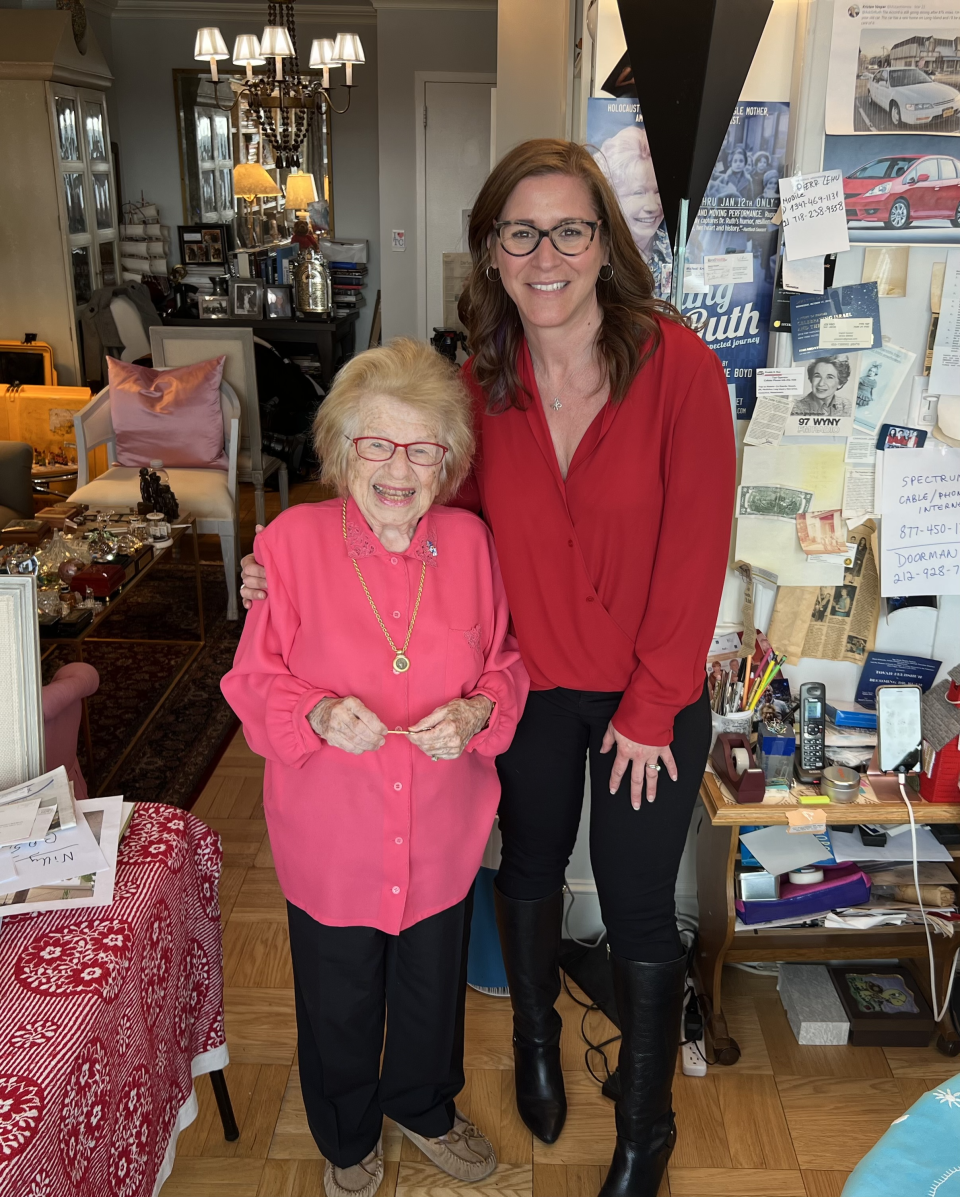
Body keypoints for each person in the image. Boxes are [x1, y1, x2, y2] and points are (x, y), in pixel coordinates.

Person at [241, 139, 736, 1197]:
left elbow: (698, 548)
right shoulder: (483, 381)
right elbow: (429, 527)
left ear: (604, 243)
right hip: (537, 690)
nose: (546, 253)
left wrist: (652, 706)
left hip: (649, 697)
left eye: (571, 228)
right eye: (522, 231)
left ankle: (647, 1128)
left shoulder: (678, 367)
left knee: (645, 904)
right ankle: (540, 1051)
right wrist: (280, 571)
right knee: (528, 872)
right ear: (494, 251)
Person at [222, 338, 529, 1197]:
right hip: (333, 836)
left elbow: (506, 664)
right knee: (339, 997)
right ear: (342, 450)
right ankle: (347, 1131)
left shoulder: (472, 545)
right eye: (378, 444)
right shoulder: (287, 544)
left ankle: (425, 1105)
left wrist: (475, 711)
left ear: (448, 460)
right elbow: (251, 680)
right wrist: (315, 712)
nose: (400, 468)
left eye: (423, 447)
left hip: (440, 829)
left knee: (433, 988)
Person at [593, 125, 672, 300]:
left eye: (658, 192)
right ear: (612, 197)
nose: (652, 206)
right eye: (639, 192)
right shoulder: (593, 260)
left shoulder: (677, 251)